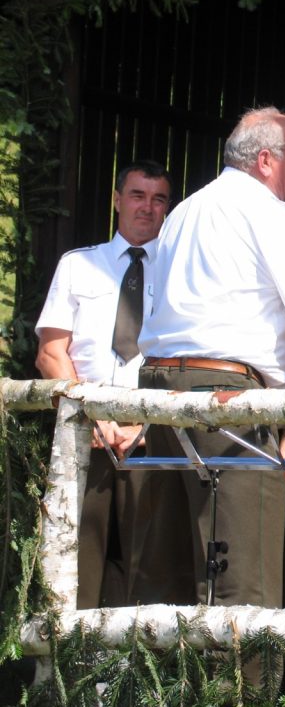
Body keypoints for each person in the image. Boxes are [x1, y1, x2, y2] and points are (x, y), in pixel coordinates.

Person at [135, 106, 285, 609]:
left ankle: (160, 667)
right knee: (244, 588)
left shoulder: (183, 212)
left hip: (157, 393)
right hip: (227, 402)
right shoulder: (270, 213)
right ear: (266, 160)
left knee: (168, 579)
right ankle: (239, 668)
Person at [35, 159, 172, 609]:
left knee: (147, 575)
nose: (147, 207)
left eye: (158, 199)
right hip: (84, 433)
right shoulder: (78, 265)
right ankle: (69, 653)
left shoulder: (181, 274)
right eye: (137, 195)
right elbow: (50, 352)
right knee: (77, 569)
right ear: (116, 200)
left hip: (151, 435)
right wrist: (90, 415)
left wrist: (147, 425)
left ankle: (139, 656)